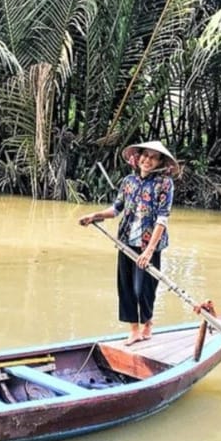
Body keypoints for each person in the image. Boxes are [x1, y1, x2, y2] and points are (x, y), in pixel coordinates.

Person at [78, 141, 178, 345]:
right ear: (138, 157)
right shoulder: (128, 182)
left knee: (144, 288)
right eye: (145, 155)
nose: (147, 160)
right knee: (126, 287)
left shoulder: (164, 184)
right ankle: (134, 329)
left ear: (159, 162)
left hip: (149, 245)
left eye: (153, 157)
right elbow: (116, 209)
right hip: (126, 241)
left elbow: (162, 219)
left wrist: (149, 251)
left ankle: (148, 323)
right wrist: (94, 216)